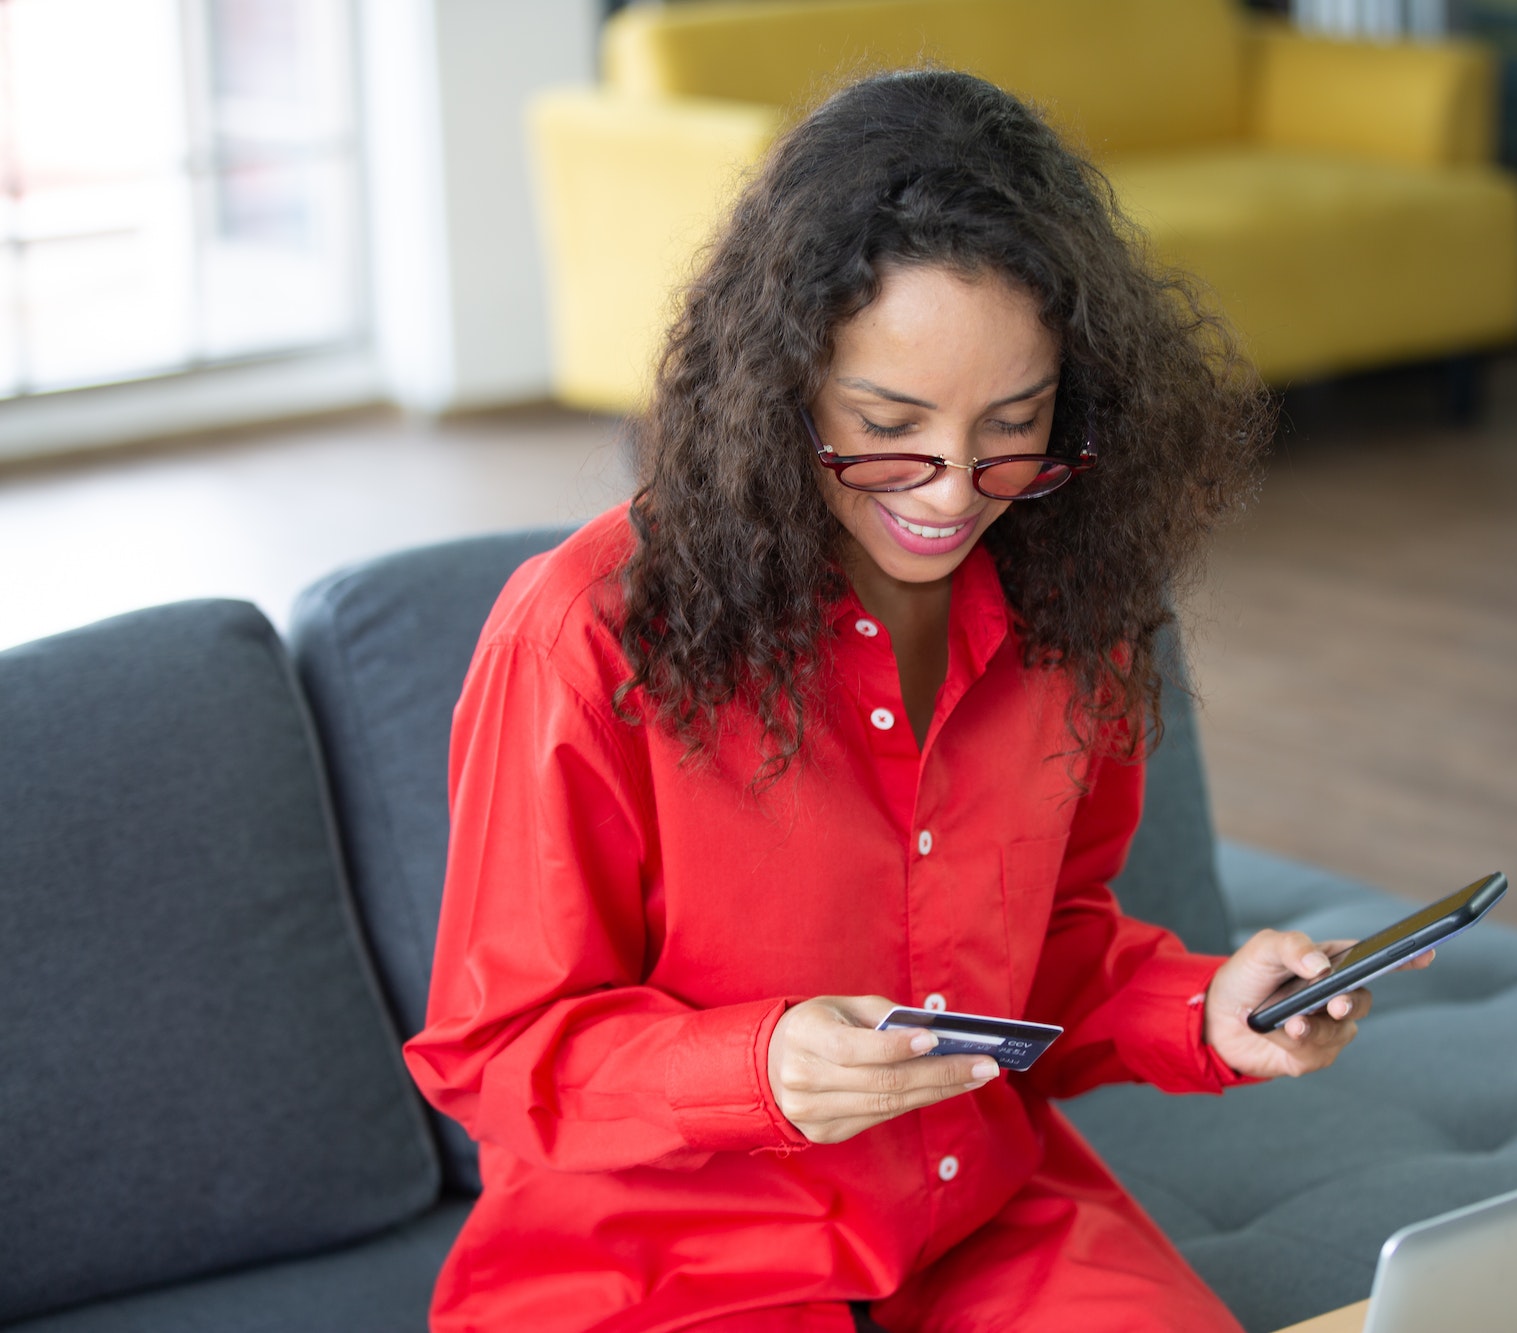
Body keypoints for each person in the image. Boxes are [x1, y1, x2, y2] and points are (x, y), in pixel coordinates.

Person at [405, 68, 1426, 1333]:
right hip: (656, 1268)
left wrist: (1206, 1008)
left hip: (977, 1218)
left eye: (1014, 424)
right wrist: (757, 1067)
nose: (951, 492)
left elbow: (1041, 953)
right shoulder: (582, 634)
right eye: (887, 424)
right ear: (779, 387)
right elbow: (497, 1055)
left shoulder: (1070, 604)